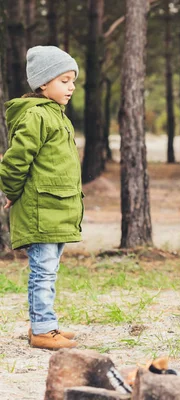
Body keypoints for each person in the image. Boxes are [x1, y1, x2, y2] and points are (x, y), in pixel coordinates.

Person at [0, 46, 83, 350]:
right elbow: (16, 160)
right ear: (43, 83)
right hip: (41, 209)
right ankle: (42, 330)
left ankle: (45, 322)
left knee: (50, 270)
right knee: (43, 271)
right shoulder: (36, 116)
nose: (71, 86)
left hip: (56, 208)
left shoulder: (56, 116)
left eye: (73, 80)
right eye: (64, 80)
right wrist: (11, 191)